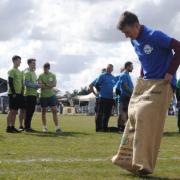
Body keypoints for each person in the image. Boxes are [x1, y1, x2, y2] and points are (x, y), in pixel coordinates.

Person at [112, 11, 180, 176]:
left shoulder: (155, 35)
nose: (127, 36)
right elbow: (144, 59)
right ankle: (127, 160)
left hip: (162, 84)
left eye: (127, 32)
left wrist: (170, 72)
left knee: (144, 116)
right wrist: (142, 75)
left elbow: (179, 47)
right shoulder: (134, 41)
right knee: (133, 115)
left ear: (136, 25)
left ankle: (144, 164)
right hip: (146, 83)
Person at [38, 62, 62, 133]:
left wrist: (45, 84)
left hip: (51, 95)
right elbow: (41, 85)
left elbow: (54, 84)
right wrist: (48, 85)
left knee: (54, 111)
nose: (45, 69)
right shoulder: (40, 75)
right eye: (44, 68)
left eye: (46, 68)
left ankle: (57, 127)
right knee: (43, 112)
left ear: (49, 68)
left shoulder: (53, 75)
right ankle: (44, 127)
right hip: (43, 96)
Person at [94, 64, 116, 132]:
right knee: (100, 113)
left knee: (107, 114)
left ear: (112, 70)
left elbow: (115, 87)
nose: (109, 69)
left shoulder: (113, 77)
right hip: (102, 97)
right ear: (106, 68)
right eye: (108, 68)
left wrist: (115, 97)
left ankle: (104, 127)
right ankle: (98, 128)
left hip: (110, 98)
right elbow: (96, 84)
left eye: (111, 68)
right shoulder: (102, 75)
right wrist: (100, 92)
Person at [6, 55, 24, 133]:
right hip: (13, 93)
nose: (20, 62)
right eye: (19, 60)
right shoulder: (12, 70)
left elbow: (20, 83)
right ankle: (8, 127)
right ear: (15, 61)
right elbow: (10, 81)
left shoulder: (19, 71)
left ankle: (12, 127)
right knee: (11, 111)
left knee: (15, 111)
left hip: (19, 94)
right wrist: (13, 92)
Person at [116, 62, 133, 132]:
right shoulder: (124, 75)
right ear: (127, 67)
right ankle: (122, 127)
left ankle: (121, 127)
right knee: (123, 113)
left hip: (127, 96)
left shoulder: (127, 75)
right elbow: (125, 86)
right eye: (131, 66)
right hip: (124, 97)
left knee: (125, 113)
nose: (133, 68)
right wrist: (133, 93)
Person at [24, 58, 41, 132]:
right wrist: (37, 85)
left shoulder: (34, 73)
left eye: (35, 63)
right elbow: (26, 83)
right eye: (33, 63)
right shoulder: (27, 72)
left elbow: (34, 84)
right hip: (28, 95)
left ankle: (28, 127)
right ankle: (26, 127)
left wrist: (37, 86)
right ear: (29, 64)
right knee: (28, 111)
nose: (35, 64)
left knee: (31, 110)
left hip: (34, 94)